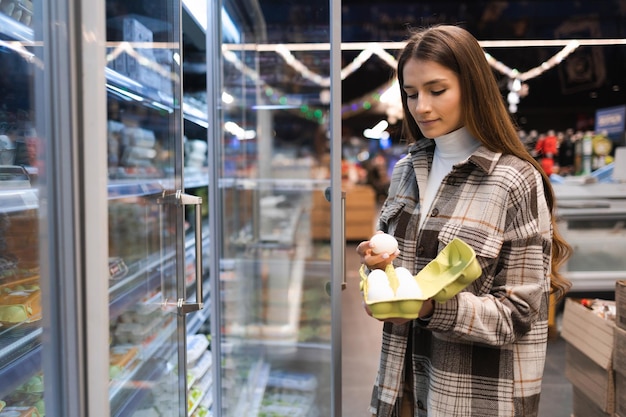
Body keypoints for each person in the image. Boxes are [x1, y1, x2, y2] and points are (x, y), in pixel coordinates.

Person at [356, 24, 571, 417]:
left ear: (472, 87)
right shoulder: (406, 171)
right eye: (411, 93)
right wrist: (378, 266)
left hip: (473, 397)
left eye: (437, 91)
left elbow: (519, 314)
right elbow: (397, 271)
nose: (421, 106)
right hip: (400, 383)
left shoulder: (513, 180)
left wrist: (427, 309)